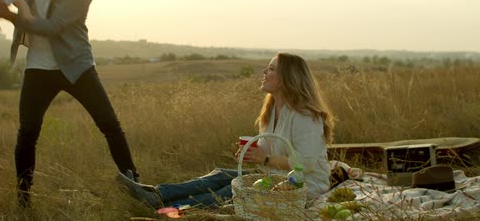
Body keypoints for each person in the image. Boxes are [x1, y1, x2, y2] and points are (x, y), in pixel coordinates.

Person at [0, 0, 139, 208]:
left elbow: (53, 26)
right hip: (38, 66)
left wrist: (11, 17)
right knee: (28, 132)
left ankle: (135, 185)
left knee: (109, 124)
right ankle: (23, 199)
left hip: (75, 65)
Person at [117, 53, 335, 208]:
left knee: (232, 187)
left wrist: (266, 158)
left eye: (271, 68)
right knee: (221, 174)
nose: (264, 71)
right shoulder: (271, 110)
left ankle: (169, 207)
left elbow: (305, 164)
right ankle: (155, 193)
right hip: (275, 177)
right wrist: (253, 154)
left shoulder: (305, 116)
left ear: (287, 78)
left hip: (304, 186)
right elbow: (267, 151)